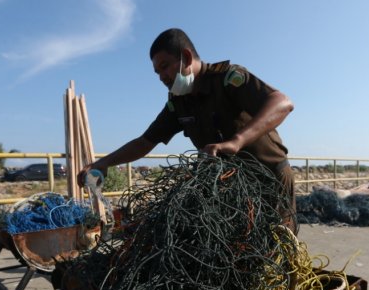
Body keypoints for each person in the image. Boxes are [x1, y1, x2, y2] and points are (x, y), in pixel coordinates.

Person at [77, 28, 296, 228]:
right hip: (232, 190)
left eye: (165, 67)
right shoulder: (178, 102)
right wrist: (104, 162)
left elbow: (282, 102)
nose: (162, 77)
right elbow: (145, 142)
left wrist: (237, 141)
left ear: (187, 57)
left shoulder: (228, 79)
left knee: (279, 249)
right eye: (157, 72)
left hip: (270, 179)